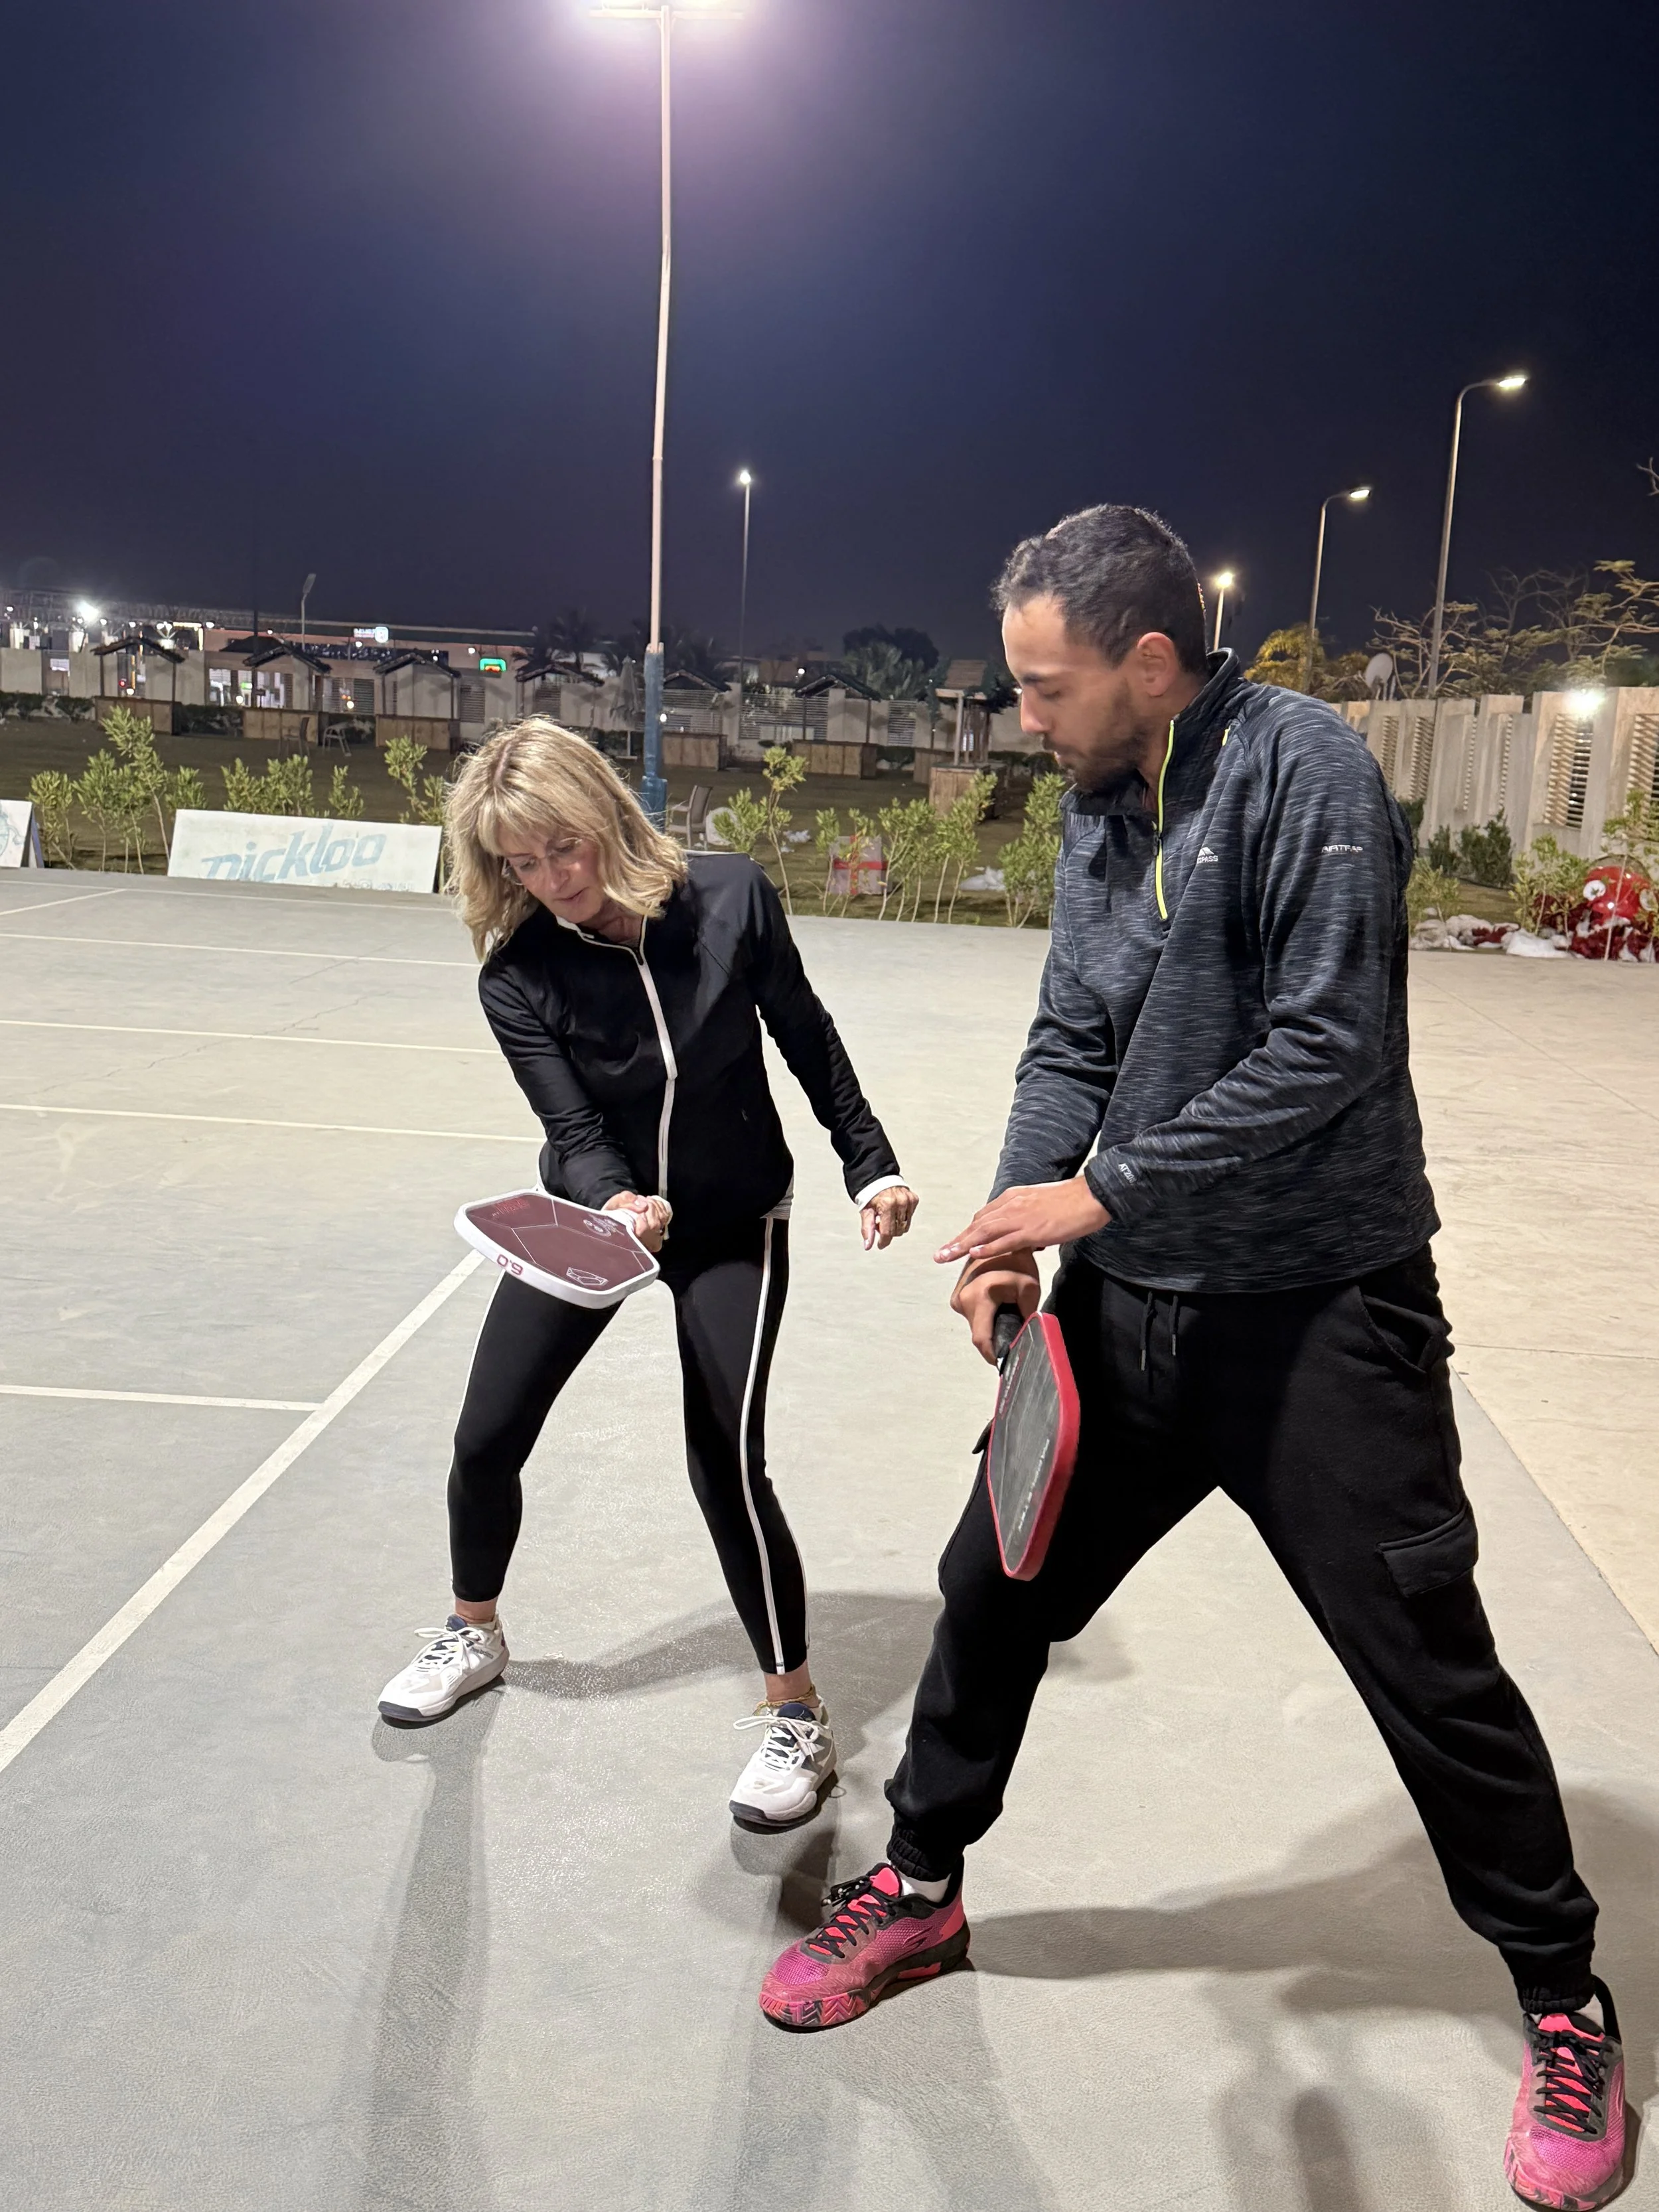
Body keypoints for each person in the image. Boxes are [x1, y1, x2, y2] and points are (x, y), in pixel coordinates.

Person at [758, 508, 1623, 2209]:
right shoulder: (1098, 799)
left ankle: (1559, 1996)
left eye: (1044, 686)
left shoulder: (1305, 773)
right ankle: (919, 1887)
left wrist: (1097, 1192)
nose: (1022, 717)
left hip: (1321, 1320)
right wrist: (1016, 1232)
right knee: (991, 1586)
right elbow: (1072, 1033)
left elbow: (1327, 1042)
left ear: (1148, 663)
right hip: (1128, 1315)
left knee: (1427, 1666)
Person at [379, 719, 918, 1832]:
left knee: (724, 1460)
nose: (552, 880)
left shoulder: (730, 898)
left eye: (563, 848)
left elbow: (806, 1036)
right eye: (522, 863)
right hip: (595, 1222)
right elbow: (571, 1126)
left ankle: (796, 1713)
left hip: (731, 1221)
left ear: (607, 818)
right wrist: (619, 1200)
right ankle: (474, 1630)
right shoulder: (519, 973)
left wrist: (871, 1164)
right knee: (485, 1436)